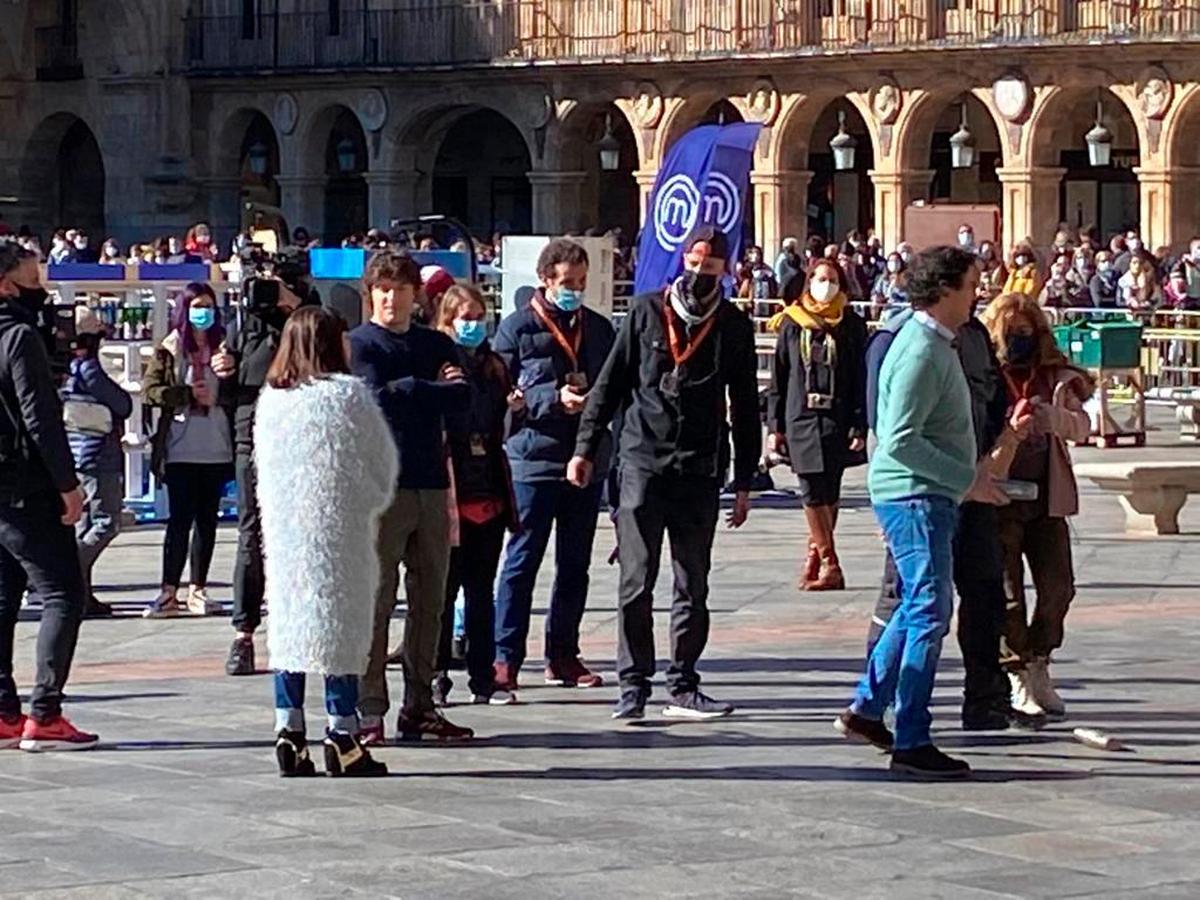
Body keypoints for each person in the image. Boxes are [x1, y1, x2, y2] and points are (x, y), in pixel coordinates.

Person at [568, 226, 759, 720]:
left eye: (710, 267)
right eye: (693, 263)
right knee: (636, 579)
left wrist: (744, 480)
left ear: (724, 270)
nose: (699, 273)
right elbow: (611, 383)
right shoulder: (647, 310)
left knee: (692, 582)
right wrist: (585, 448)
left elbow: (744, 405)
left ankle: (684, 682)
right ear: (682, 259)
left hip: (698, 466)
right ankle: (632, 684)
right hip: (641, 460)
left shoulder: (733, 325)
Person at [837, 246, 1008, 778]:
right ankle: (911, 736)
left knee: (918, 606)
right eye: (971, 285)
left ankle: (868, 708)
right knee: (931, 611)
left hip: (928, 494)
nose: (977, 294)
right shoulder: (918, 350)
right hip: (915, 496)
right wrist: (967, 479)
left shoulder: (937, 343)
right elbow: (899, 440)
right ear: (944, 290)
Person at [256, 306, 393, 778]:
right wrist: (368, 500)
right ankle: (341, 732)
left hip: (285, 531)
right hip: (338, 529)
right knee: (340, 627)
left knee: (291, 629)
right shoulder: (347, 397)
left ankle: (289, 729)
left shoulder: (271, 400)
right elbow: (380, 466)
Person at [350, 250, 474, 744]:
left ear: (415, 296)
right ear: (371, 294)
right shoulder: (361, 344)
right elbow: (375, 398)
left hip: (430, 483)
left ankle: (420, 704)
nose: (391, 298)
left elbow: (463, 396)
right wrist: (426, 389)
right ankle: (369, 707)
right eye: (383, 289)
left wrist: (411, 389)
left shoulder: (435, 342)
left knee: (432, 600)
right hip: (383, 488)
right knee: (378, 600)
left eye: (400, 289)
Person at [491, 239, 615, 695]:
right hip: (533, 461)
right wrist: (549, 400)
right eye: (567, 283)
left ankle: (563, 653)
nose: (575, 291)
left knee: (574, 564)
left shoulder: (599, 329)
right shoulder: (516, 330)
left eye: (581, 283)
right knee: (521, 563)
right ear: (546, 280)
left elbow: (612, 387)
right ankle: (505, 657)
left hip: (585, 459)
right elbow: (501, 396)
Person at [0, 243, 97, 750]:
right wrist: (67, 485)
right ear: (7, 285)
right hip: (26, 487)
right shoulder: (19, 337)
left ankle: (2, 711)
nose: (41, 285)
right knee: (63, 593)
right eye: (33, 276)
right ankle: (46, 711)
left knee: (2, 597)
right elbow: (40, 418)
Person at [983, 293, 1092, 721]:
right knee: (1008, 595)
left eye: (1026, 332)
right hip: (1001, 495)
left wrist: (1055, 419)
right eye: (1012, 333)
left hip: (1047, 497)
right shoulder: (987, 374)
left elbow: (1083, 426)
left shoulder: (1055, 375)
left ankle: (1040, 660)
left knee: (1058, 587)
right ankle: (1016, 673)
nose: (1019, 340)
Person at [433, 284, 520, 706]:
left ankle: (484, 677)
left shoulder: (494, 366)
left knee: (481, 590)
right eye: (464, 317)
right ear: (447, 320)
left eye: (478, 316)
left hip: (487, 486)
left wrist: (513, 406)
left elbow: (503, 422)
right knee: (442, 592)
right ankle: (436, 675)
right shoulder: (438, 361)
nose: (473, 325)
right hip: (450, 487)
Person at [220, 268, 307, 675]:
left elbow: (325, 361)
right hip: (250, 435)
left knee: (299, 532)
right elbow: (231, 390)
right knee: (250, 532)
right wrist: (224, 369)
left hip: (298, 437)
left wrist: (295, 309)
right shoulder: (244, 326)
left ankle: (298, 626)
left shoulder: (309, 321)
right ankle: (244, 633)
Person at [768, 261, 866, 592]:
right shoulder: (793, 323)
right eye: (821, 280)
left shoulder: (851, 324)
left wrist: (859, 423)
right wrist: (774, 426)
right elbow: (779, 379)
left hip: (836, 418)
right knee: (810, 489)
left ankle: (814, 556)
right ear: (809, 283)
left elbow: (859, 378)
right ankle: (830, 562)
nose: (827, 285)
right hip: (801, 416)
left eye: (833, 280)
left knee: (830, 490)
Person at [141, 284, 233, 618]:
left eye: (208, 305)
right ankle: (168, 590)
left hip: (217, 447)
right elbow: (151, 390)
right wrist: (185, 395)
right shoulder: (169, 349)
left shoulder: (226, 347)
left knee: (208, 520)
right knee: (179, 520)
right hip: (179, 448)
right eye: (196, 305)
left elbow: (240, 391)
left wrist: (219, 395)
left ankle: (198, 588)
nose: (203, 312)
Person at [61, 308, 132, 618]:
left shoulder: (65, 370)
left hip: (77, 453)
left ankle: (82, 595)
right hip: (97, 454)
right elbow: (123, 404)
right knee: (105, 522)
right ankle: (68, 574)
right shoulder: (88, 370)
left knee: (84, 523)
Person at [871, 251, 908, 317]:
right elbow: (876, 292)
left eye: (896, 261)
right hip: (887, 308)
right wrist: (876, 298)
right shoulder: (883, 278)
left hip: (902, 309)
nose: (894, 263)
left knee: (890, 314)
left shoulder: (906, 278)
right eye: (891, 261)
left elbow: (907, 296)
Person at [976, 241, 1007, 305]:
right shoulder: (979, 267)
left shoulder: (1001, 268)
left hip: (997, 301)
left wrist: (992, 289)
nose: (986, 254)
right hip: (982, 302)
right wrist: (979, 291)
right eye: (984, 252)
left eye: (988, 251)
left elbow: (1005, 286)